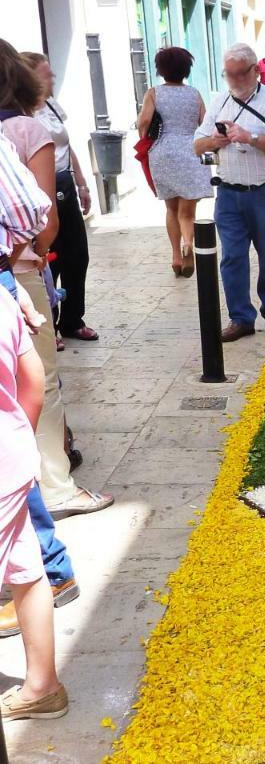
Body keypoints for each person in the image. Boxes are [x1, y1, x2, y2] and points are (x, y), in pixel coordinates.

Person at [0, 42, 112, 519]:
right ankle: (55, 487)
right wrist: (37, 255)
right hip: (18, 276)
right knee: (37, 382)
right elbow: (45, 222)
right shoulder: (26, 129)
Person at [194, 43, 265, 343]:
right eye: (230, 74)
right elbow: (197, 145)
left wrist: (251, 138)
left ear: (255, 70)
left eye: (241, 73)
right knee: (232, 257)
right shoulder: (219, 102)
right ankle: (240, 318)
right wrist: (215, 141)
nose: (236, 80)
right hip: (228, 193)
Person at [0, 288, 67, 721]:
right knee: (26, 569)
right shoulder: (4, 299)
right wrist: (18, 437)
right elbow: (33, 381)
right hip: (12, 457)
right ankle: (43, 685)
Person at [23, 53, 97, 343]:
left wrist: (82, 183)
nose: (52, 78)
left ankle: (73, 319)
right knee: (48, 256)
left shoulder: (52, 105)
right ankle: (49, 324)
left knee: (77, 255)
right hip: (42, 185)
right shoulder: (23, 113)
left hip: (64, 181)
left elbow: (68, 145)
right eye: (46, 74)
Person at [136, 47, 212, 277]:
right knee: (187, 212)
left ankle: (176, 257)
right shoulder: (195, 94)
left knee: (171, 208)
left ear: (161, 70)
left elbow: (145, 121)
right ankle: (188, 243)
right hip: (191, 149)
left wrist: (144, 136)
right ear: (186, 69)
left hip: (163, 151)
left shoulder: (154, 93)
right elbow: (204, 123)